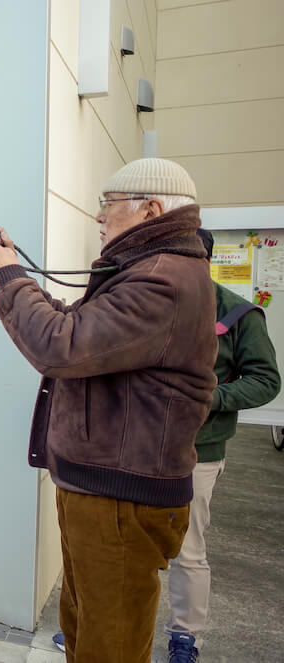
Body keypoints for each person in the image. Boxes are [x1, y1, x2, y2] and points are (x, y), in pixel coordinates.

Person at [0, 158, 217, 663]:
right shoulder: (149, 269)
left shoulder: (162, 279)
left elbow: (61, 347)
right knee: (85, 624)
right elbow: (79, 329)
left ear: (150, 209)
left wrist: (8, 278)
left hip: (120, 493)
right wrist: (18, 273)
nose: (99, 218)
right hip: (102, 486)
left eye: (106, 206)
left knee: (111, 642)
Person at [162, 228, 280, 662]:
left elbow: (267, 381)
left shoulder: (238, 314)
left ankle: (185, 639)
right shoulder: (147, 303)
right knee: (124, 544)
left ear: (203, 260)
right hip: (135, 449)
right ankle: (103, 621)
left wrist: (210, 398)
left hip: (196, 453)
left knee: (186, 550)